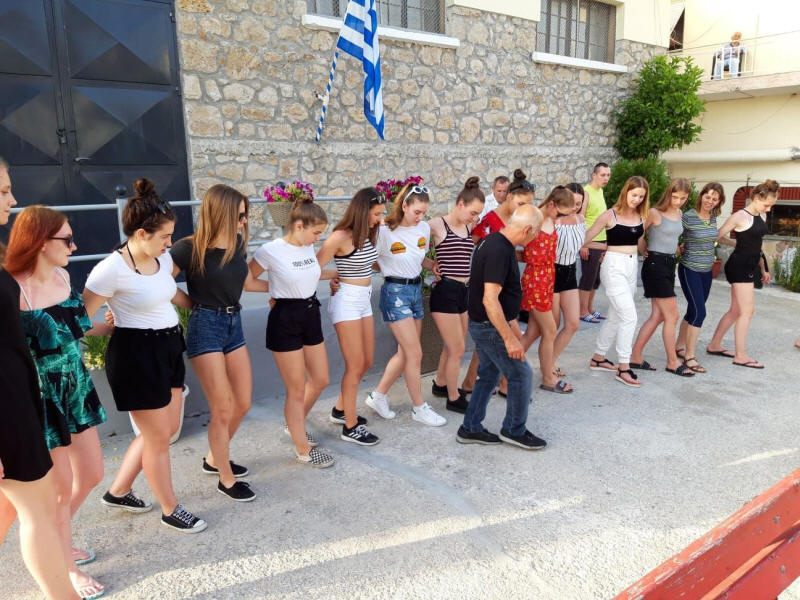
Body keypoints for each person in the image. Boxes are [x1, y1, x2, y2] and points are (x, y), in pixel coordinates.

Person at [84, 178, 207, 533]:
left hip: (169, 346)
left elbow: (168, 294)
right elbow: (78, 318)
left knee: (165, 431)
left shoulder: (161, 259)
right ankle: (171, 509)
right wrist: (112, 329)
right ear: (141, 234)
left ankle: (119, 491)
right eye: (165, 237)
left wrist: (201, 306)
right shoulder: (110, 270)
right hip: (135, 356)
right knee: (157, 439)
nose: (170, 244)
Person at [5, 206, 110, 599]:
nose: (74, 246)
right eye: (66, 239)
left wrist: (113, 328)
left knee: (93, 473)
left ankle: (57, 537)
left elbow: (77, 327)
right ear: (39, 242)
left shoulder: (64, 277)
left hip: (75, 388)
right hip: (41, 397)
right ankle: (66, 566)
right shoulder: (13, 290)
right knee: (60, 490)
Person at [0, 161, 79, 600]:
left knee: (32, 508)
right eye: (3, 191)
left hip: (18, 399)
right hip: (7, 410)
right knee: (39, 510)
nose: (12, 200)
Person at [170, 184, 268, 501]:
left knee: (242, 403)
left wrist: (285, 288)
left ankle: (214, 459)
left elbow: (247, 282)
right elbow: (159, 282)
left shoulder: (237, 243)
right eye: (239, 215)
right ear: (221, 213)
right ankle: (225, 479)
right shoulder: (188, 248)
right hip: (205, 326)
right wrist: (192, 304)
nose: (244, 221)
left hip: (233, 323)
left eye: (245, 215)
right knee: (222, 407)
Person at [249, 197, 336, 467]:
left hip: (310, 313)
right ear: (299, 226)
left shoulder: (307, 247)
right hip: (285, 318)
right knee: (296, 388)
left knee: (320, 379)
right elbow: (247, 281)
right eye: (316, 232)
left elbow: (310, 274)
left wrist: (338, 274)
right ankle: (303, 449)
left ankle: (293, 423)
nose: (318, 238)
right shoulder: (270, 250)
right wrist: (277, 288)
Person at [456, 203, 547, 449]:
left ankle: (470, 428)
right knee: (521, 374)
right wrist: (509, 338)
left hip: (486, 324)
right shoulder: (499, 250)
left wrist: (511, 329)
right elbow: (490, 299)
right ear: (527, 230)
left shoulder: (495, 241)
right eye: (537, 232)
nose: (536, 237)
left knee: (489, 374)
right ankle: (514, 430)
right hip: (489, 327)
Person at [363, 183, 447, 427]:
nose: (421, 217)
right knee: (414, 353)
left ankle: (378, 396)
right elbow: (370, 260)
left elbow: (417, 257)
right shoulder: (384, 231)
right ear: (404, 205)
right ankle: (419, 408)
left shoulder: (423, 228)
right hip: (395, 292)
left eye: (424, 212)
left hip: (415, 291)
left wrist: (432, 265)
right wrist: (388, 267)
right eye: (417, 211)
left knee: (405, 353)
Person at [316, 188, 386, 446]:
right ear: (362, 211)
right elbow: (314, 267)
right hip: (346, 301)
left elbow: (369, 263)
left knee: (366, 361)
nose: (379, 219)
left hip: (363, 299)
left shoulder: (368, 234)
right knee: (355, 364)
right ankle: (350, 426)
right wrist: (335, 276)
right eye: (376, 214)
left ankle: (339, 410)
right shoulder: (339, 237)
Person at [461, 168, 535, 395]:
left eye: (528, 205)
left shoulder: (518, 220)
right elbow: (472, 244)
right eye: (521, 203)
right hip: (490, 289)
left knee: (492, 345)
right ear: (509, 197)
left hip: (505, 284)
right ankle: (496, 384)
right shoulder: (490, 220)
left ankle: (485, 383)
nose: (524, 209)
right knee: (501, 340)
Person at [584, 176, 650, 387]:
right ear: (626, 192)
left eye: (641, 196)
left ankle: (598, 357)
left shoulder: (641, 216)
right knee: (629, 317)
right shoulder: (609, 215)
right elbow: (585, 238)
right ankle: (624, 367)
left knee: (615, 316)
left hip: (632, 266)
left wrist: (646, 251)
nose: (637, 199)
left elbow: (638, 240)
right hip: (613, 266)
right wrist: (603, 247)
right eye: (634, 195)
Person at [706, 180, 779, 368]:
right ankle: (740, 355)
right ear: (756, 198)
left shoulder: (761, 215)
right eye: (767, 204)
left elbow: (756, 245)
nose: (769, 209)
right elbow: (717, 235)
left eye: (771, 205)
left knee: (736, 310)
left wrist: (763, 268)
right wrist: (734, 244)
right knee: (747, 311)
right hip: (739, 266)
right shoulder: (739, 216)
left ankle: (715, 345)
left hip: (751, 265)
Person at [628, 178, 695, 377]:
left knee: (658, 316)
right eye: (675, 197)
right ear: (668, 194)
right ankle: (672, 362)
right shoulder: (655, 213)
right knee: (672, 316)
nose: (679, 201)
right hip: (655, 265)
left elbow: (671, 236)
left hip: (669, 264)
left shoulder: (679, 213)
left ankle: (635, 357)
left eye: (683, 198)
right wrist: (642, 248)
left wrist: (676, 248)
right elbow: (636, 232)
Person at [429, 176, 485, 413]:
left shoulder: (468, 226)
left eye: (478, 214)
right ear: (460, 204)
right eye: (473, 212)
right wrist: (429, 264)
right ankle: (453, 398)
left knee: (453, 346)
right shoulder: (437, 225)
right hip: (446, 292)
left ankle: (441, 384)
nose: (475, 218)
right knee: (457, 349)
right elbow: (409, 240)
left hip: (464, 291)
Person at [519, 186, 575, 394]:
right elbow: (517, 244)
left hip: (547, 279)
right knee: (550, 330)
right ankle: (548, 378)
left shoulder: (550, 219)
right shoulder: (533, 219)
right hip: (535, 280)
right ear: (551, 204)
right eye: (560, 214)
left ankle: (503, 372)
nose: (561, 218)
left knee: (533, 332)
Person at [675, 183, 727, 373]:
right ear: (701, 196)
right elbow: (672, 233)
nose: (710, 201)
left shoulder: (712, 218)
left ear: (719, 202)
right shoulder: (688, 216)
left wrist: (737, 243)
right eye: (708, 197)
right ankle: (689, 356)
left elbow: (714, 239)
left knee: (693, 310)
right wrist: (676, 247)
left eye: (715, 199)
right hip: (690, 269)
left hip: (707, 272)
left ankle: (679, 346)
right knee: (700, 312)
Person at [551, 183, 586, 377]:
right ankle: (547, 366)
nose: (575, 207)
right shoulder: (552, 221)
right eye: (572, 202)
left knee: (573, 323)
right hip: (552, 272)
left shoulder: (580, 219)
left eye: (578, 204)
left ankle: (550, 362)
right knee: (552, 326)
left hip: (571, 272)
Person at [579, 163, 611, 323]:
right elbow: (581, 217)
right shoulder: (586, 192)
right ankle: (582, 311)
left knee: (596, 279)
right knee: (588, 277)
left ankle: (590, 309)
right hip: (590, 242)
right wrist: (583, 244)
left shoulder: (600, 191)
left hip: (602, 240)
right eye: (602, 175)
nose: (606, 178)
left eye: (608, 175)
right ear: (594, 175)